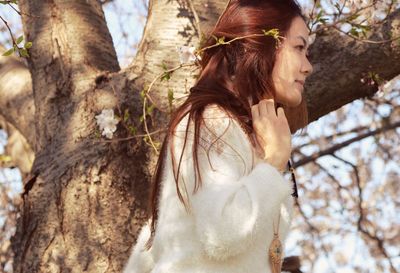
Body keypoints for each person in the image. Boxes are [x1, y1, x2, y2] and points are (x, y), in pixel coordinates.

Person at [124, 0, 313, 272]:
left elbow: (156, 243)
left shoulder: (241, 132)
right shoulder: (213, 120)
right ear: (263, 43)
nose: (308, 66)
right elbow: (221, 233)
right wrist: (273, 162)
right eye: (299, 48)